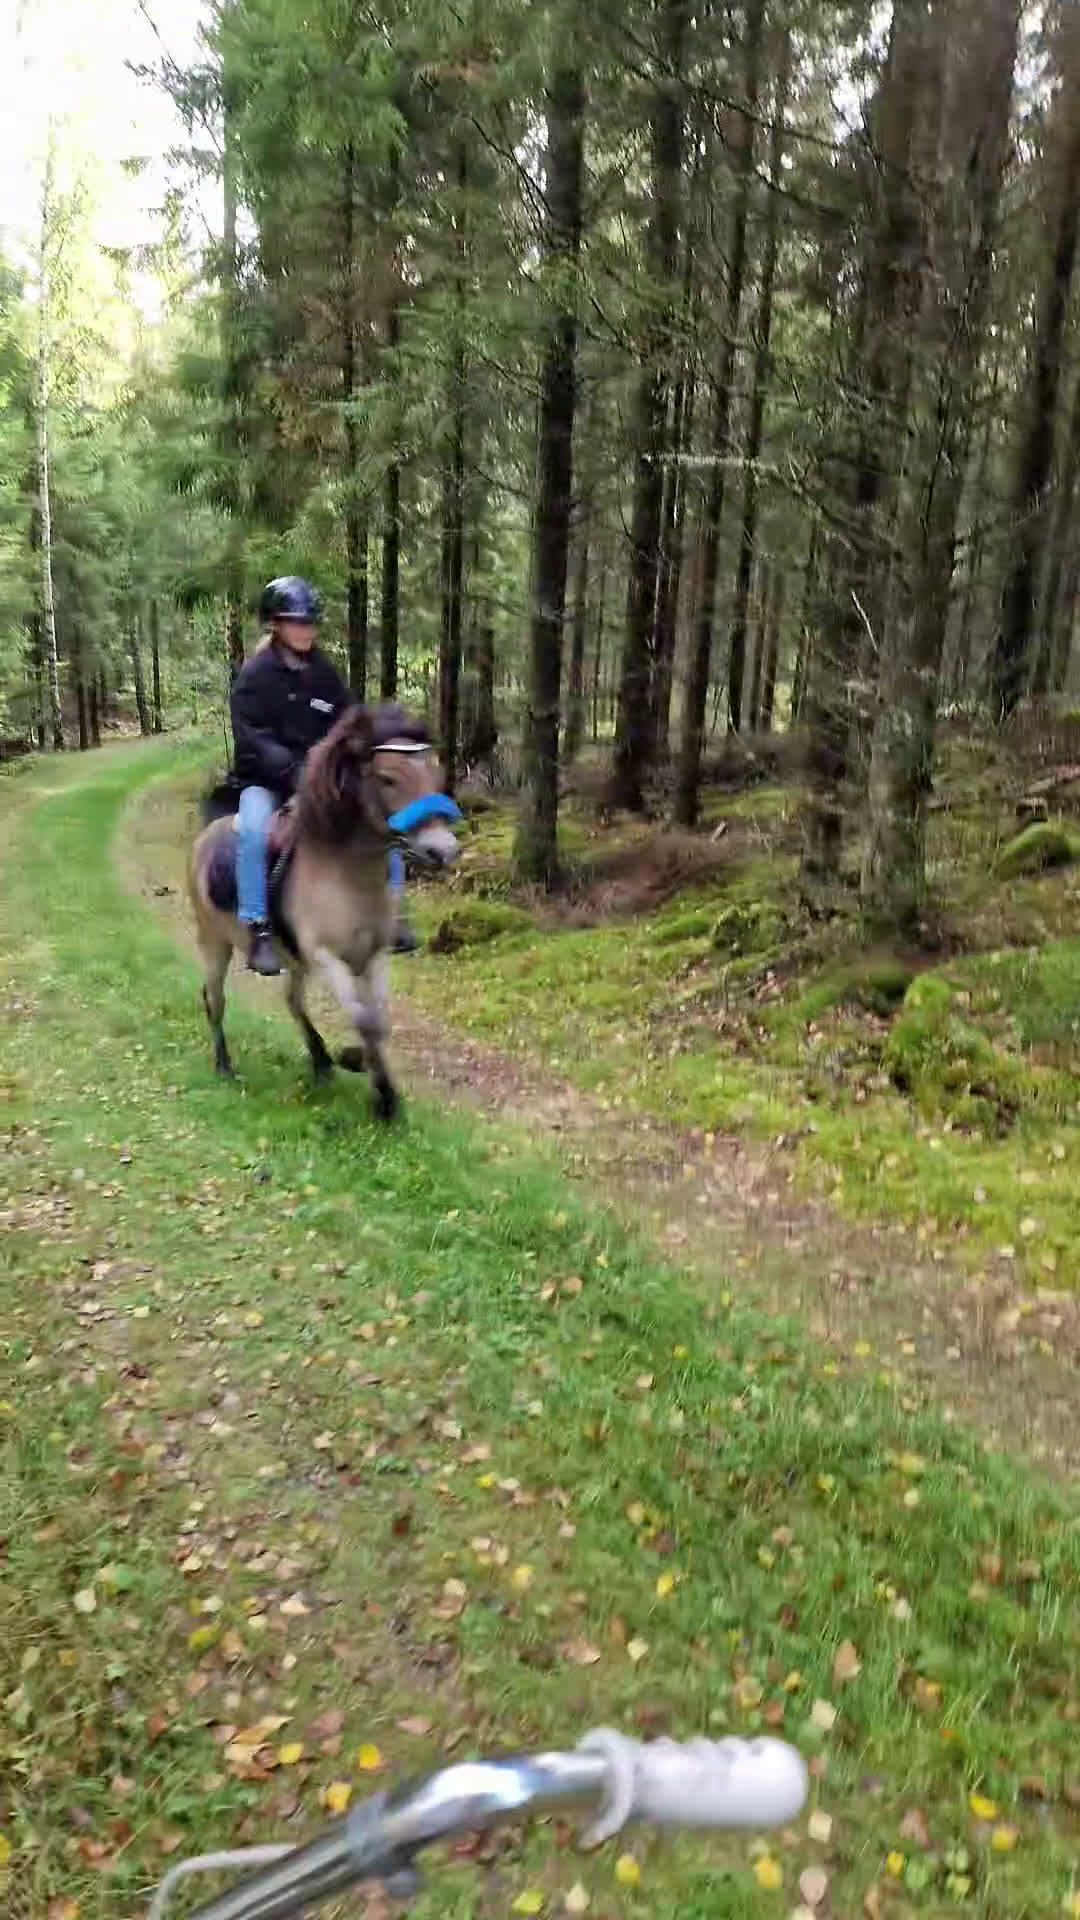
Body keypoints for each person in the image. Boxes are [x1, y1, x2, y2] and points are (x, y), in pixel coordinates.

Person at [230, 575, 419, 975]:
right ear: (275, 625)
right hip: (266, 782)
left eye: (310, 622)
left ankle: (396, 914)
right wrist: (295, 771)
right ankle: (258, 928)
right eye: (297, 622)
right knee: (252, 831)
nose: (306, 630)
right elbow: (253, 739)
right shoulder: (254, 677)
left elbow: (345, 723)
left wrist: (362, 750)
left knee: (381, 818)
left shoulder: (324, 674)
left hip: (317, 779)